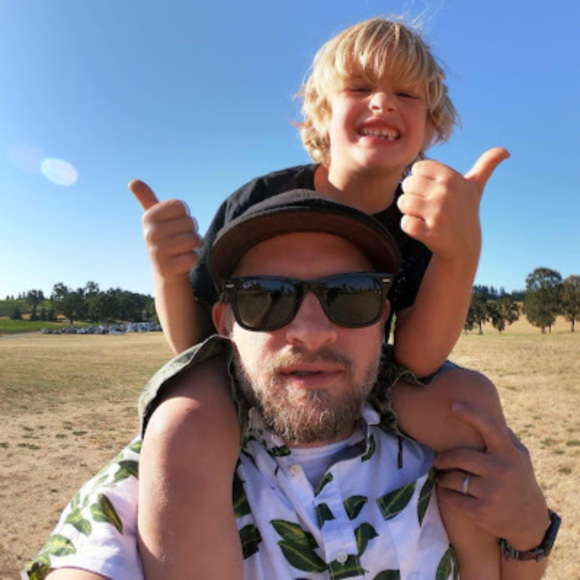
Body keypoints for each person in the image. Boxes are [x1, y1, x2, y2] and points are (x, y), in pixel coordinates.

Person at [127, 17, 553, 580]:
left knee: (468, 403)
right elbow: (199, 342)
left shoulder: (424, 220)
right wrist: (166, 273)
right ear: (322, 112)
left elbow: (419, 358)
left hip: (365, 366)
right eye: (360, 87)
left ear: (431, 123)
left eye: (407, 93)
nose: (383, 102)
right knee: (187, 417)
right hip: (253, 362)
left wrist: (459, 254)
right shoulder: (262, 200)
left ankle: (479, 569)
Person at [24, 191, 557, 580]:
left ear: (383, 318)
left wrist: (531, 535)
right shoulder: (174, 467)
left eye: (350, 295)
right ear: (224, 322)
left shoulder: (449, 444)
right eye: (265, 297)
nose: (311, 331)